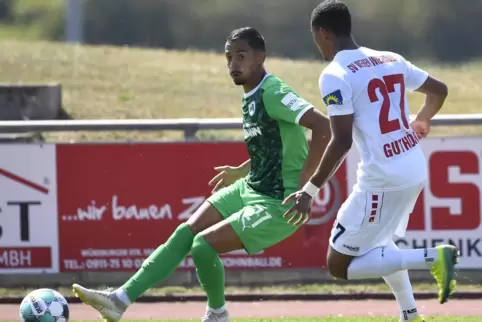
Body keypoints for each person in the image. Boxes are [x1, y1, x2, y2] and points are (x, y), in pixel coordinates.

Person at [71, 27, 331, 322]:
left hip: (279, 202)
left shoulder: (273, 91)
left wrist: (306, 188)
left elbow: (324, 128)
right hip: (252, 186)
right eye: (229, 57)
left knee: (203, 246)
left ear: (261, 57)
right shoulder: (251, 95)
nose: (233, 64)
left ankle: (218, 314)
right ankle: (119, 299)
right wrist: (243, 170)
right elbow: (276, 146)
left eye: (241, 56)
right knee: (186, 232)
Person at [282, 1, 455, 322]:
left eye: (315, 37)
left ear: (323, 33)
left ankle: (434, 256)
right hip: (413, 167)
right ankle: (410, 314)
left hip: (382, 178)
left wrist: (309, 190)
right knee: (380, 243)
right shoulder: (391, 58)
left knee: (339, 264)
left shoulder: (335, 74)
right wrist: (423, 119)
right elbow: (440, 90)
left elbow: (342, 140)